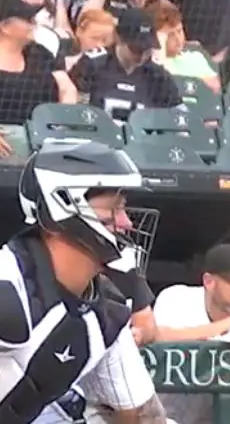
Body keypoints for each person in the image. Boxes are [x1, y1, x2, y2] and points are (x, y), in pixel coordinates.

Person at [0, 141, 167, 422]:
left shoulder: (105, 313)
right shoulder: (8, 283)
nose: (126, 223)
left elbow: (141, 416)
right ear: (63, 206)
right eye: (114, 209)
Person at [154, 243, 230, 424]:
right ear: (209, 281)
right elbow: (157, 337)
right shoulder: (176, 298)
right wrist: (227, 325)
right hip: (168, 416)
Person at [68, 7, 183, 121]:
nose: (142, 56)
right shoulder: (93, 64)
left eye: (147, 49)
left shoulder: (156, 74)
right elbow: (77, 111)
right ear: (118, 38)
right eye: (136, 49)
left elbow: (180, 117)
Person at [0, 0, 76, 128]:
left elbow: (67, 88)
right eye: (28, 20)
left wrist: (64, 116)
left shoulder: (40, 53)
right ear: (5, 27)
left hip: (42, 135)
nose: (34, 25)